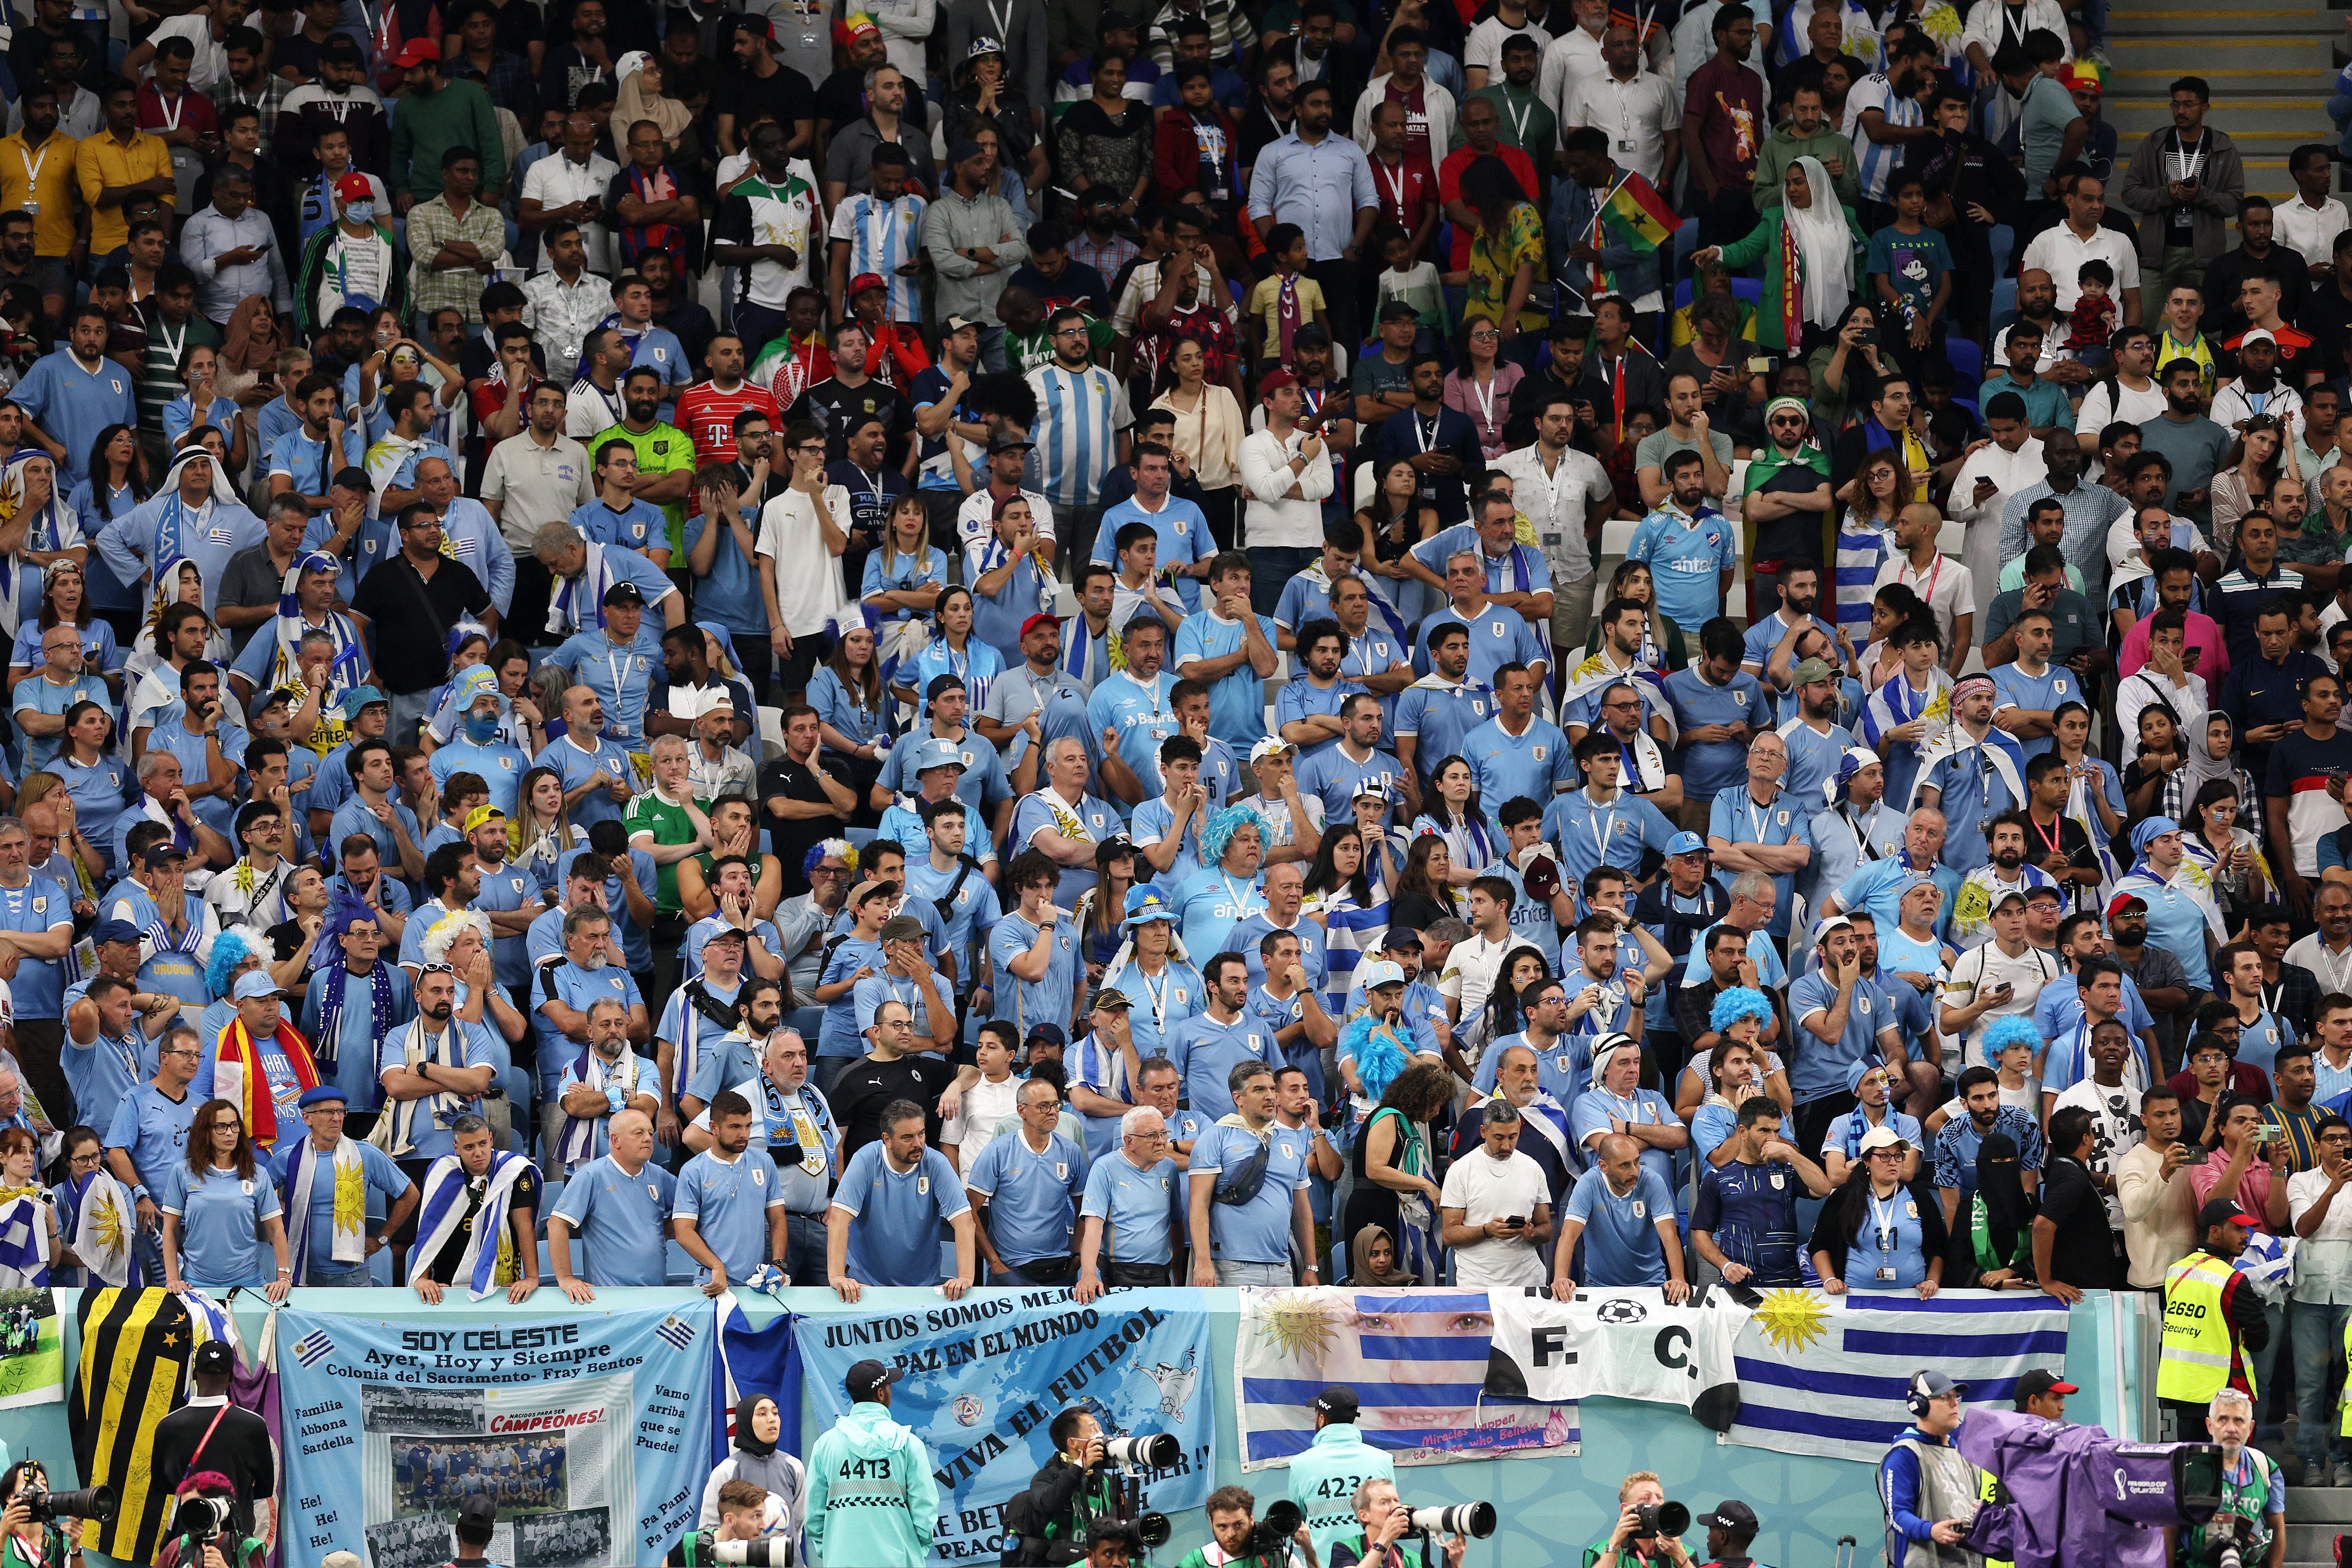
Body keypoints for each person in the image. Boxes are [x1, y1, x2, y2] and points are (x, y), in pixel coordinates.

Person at [1188, 1061, 1317, 1286]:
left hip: (1282, 1266)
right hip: (1230, 1265)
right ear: (1238, 1098)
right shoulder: (1215, 1137)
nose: (1270, 1097)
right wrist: (1203, 1262)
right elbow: (1198, 1204)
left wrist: (1310, 1266)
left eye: (1272, 1089)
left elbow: (1302, 1209)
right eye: (1259, 1090)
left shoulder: (1292, 1139)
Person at [276, 1083, 414, 1287]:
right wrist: (282, 1210)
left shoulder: (365, 1153)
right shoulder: (289, 1158)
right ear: (307, 1119)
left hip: (352, 1275)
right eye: (328, 1112)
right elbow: (257, 1194)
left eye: (341, 1111)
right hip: (301, 1272)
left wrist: (383, 1238)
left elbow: (410, 1194)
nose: (337, 1118)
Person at [805, 1360, 939, 1568]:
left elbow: (814, 1516)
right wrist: (915, 1551)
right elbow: (925, 1511)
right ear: (881, 1394)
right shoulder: (909, 1444)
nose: (891, 1392)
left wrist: (833, 1550)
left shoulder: (825, 1446)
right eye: (889, 1387)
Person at [2158, 1197, 2273, 1440]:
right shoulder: (2232, 1280)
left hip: (2180, 1387)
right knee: (2229, 1469)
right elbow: (2260, 1338)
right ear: (2215, 1232)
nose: (2246, 1236)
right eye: (2239, 1228)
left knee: (2191, 1468)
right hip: (2223, 1392)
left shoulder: (2175, 1271)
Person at [159, 1095, 292, 1297]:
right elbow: (170, 1230)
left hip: (249, 1282)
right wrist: (173, 1279)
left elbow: (276, 1229)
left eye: (234, 1125)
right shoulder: (183, 1172)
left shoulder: (257, 1173)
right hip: (195, 1283)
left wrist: (283, 1276)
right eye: (221, 1127)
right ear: (205, 1132)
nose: (230, 1133)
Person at [151, 1338, 275, 1546]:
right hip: (235, 1543)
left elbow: (162, 1485)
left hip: (185, 1541)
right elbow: (264, 1488)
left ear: (195, 1375)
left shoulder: (168, 1426)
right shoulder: (253, 1425)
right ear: (232, 1377)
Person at [547, 1106, 675, 1300]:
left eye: (650, 1132)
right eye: (638, 1133)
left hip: (657, 1294)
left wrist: (664, 1233)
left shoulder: (659, 1175)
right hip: (609, 1296)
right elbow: (556, 1224)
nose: (649, 1138)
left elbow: (690, 1209)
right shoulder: (591, 1175)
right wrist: (566, 1278)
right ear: (616, 1140)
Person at [1878, 1370, 1989, 1568]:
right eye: (1945, 1398)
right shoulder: (1906, 1454)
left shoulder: (1963, 1453)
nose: (1955, 1404)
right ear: (1919, 1405)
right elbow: (1898, 1516)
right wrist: (1930, 1531)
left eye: (1956, 1397)